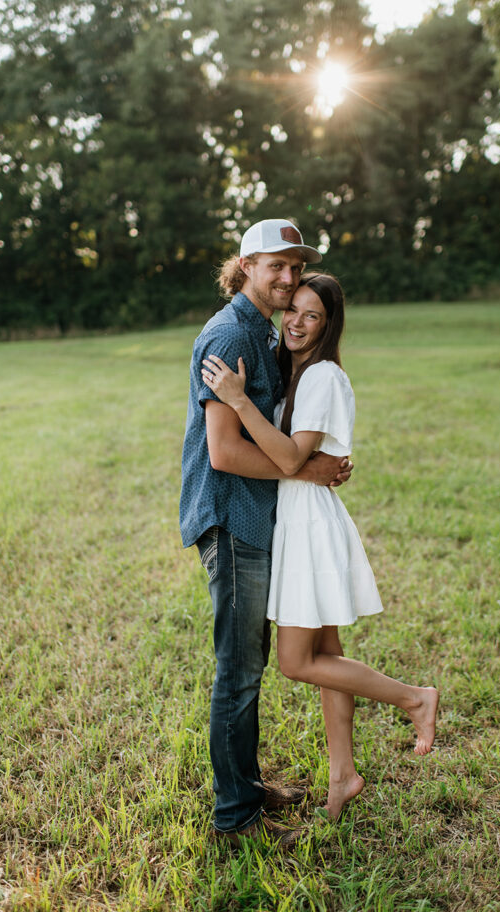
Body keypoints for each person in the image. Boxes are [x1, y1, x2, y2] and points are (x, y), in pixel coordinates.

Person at [202, 271, 440, 820]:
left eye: (313, 316)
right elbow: (302, 459)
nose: (298, 322)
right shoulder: (301, 374)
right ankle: (343, 775)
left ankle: (414, 698)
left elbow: (288, 460)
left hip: (308, 526)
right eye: (295, 311)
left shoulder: (322, 376)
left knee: (295, 661)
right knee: (326, 655)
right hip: (299, 518)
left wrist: (237, 401)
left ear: (329, 326)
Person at [179, 219, 352, 848]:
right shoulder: (229, 334)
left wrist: (311, 464)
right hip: (230, 519)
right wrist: (310, 469)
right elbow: (224, 452)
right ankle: (236, 819)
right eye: (276, 265)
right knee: (240, 670)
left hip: (259, 519)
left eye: (296, 267)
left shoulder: (262, 332)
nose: (288, 277)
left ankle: (247, 788)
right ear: (246, 264)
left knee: (249, 665)